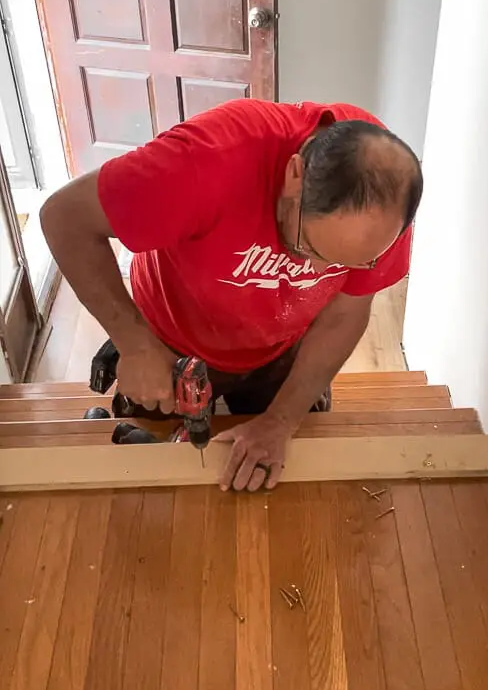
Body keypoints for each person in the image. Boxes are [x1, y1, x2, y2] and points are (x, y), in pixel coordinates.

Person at [40, 99, 423, 493]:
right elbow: (64, 217)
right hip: (170, 340)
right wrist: (135, 346)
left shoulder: (385, 203)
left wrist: (281, 421)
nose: (321, 275)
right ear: (294, 175)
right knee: (146, 475)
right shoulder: (203, 163)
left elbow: (345, 312)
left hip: (280, 346)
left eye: (348, 264)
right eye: (311, 249)